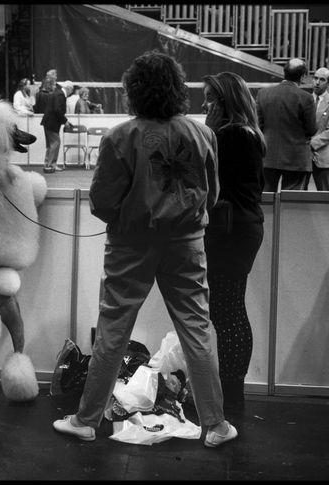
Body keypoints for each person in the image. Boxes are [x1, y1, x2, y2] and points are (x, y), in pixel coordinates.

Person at [52, 51, 237, 448]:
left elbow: (102, 200)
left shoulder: (120, 137)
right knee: (197, 328)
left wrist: (129, 216)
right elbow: (214, 193)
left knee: (114, 329)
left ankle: (87, 420)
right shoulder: (203, 133)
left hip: (131, 244)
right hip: (187, 243)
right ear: (177, 88)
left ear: (133, 90)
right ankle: (217, 425)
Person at [202, 71, 266, 417]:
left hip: (230, 232)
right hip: (241, 230)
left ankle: (231, 394)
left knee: (227, 313)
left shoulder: (228, 136)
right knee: (228, 310)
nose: (205, 104)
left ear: (225, 101)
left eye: (210, 98)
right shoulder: (247, 133)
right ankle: (230, 391)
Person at [256, 58, 316, 191]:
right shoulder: (306, 97)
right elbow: (311, 130)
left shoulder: (263, 94)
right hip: (296, 158)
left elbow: (257, 126)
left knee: (266, 201)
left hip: (268, 156)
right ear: (303, 76)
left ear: (284, 72)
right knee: (292, 205)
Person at [308, 67, 329, 191]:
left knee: (325, 196)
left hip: (323, 155)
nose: (317, 82)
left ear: (328, 83)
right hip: (303, 156)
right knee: (298, 195)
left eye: (322, 79)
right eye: (315, 78)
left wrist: (311, 144)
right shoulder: (304, 99)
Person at [40, 80, 74, 173]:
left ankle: (47, 164)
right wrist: (65, 121)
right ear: (69, 88)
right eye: (72, 89)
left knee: (50, 145)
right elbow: (57, 110)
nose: (72, 91)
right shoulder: (60, 95)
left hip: (48, 122)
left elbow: (56, 109)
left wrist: (64, 120)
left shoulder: (57, 93)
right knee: (55, 143)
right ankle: (51, 165)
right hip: (52, 123)